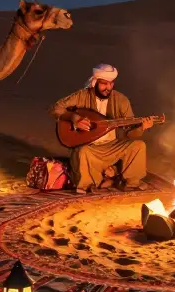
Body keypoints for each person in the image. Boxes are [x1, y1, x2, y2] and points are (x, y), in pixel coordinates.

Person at [50, 63, 152, 194]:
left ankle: (130, 183)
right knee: (82, 152)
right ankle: (92, 183)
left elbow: (130, 134)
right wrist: (74, 118)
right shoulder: (82, 96)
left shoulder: (121, 100)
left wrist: (141, 128)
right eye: (104, 83)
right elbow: (55, 108)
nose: (108, 88)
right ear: (94, 82)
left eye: (111, 84)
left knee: (138, 146)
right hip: (89, 147)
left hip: (112, 146)